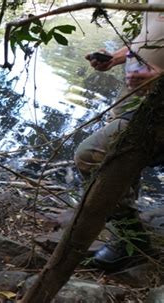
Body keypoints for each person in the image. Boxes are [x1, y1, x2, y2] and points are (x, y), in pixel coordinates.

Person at [75, 3, 164, 270]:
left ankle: (131, 241)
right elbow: (148, 37)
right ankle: (128, 240)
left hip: (159, 104)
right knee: (124, 162)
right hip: (135, 98)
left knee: (91, 155)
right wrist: (115, 57)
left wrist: (160, 77)